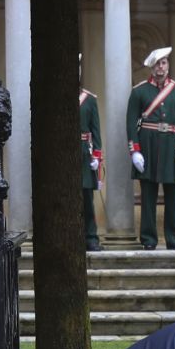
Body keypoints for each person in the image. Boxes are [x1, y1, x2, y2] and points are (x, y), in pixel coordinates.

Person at [126, 46, 175, 249]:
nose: (160, 68)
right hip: (148, 147)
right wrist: (135, 151)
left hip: (172, 147)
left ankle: (174, 239)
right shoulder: (139, 92)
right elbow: (131, 123)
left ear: (168, 65)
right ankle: (148, 239)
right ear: (151, 68)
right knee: (148, 196)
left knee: (172, 196)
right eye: (156, 64)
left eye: (163, 63)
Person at [79, 57, 104, 252]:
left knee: (87, 197)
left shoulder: (89, 100)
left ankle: (91, 236)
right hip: (64, 155)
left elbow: (96, 131)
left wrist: (96, 155)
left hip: (83, 154)